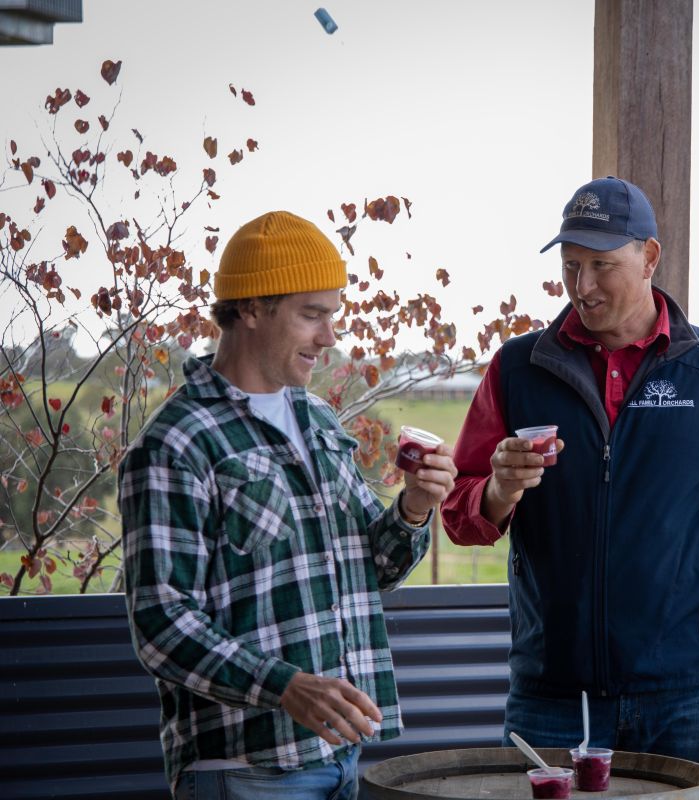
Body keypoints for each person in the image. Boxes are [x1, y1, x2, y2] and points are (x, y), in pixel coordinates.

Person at [441, 176, 699, 786]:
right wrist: (498, 491)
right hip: (551, 697)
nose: (582, 286)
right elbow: (460, 517)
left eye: (602, 265)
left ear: (649, 257)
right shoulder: (517, 368)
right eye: (570, 265)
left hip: (685, 697)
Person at [120, 210, 457, 799]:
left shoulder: (317, 418)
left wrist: (413, 508)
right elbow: (161, 624)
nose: (329, 337)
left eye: (332, 316)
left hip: (343, 759)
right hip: (245, 772)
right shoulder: (177, 442)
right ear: (250, 309)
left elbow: (371, 571)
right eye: (311, 315)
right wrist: (285, 686)